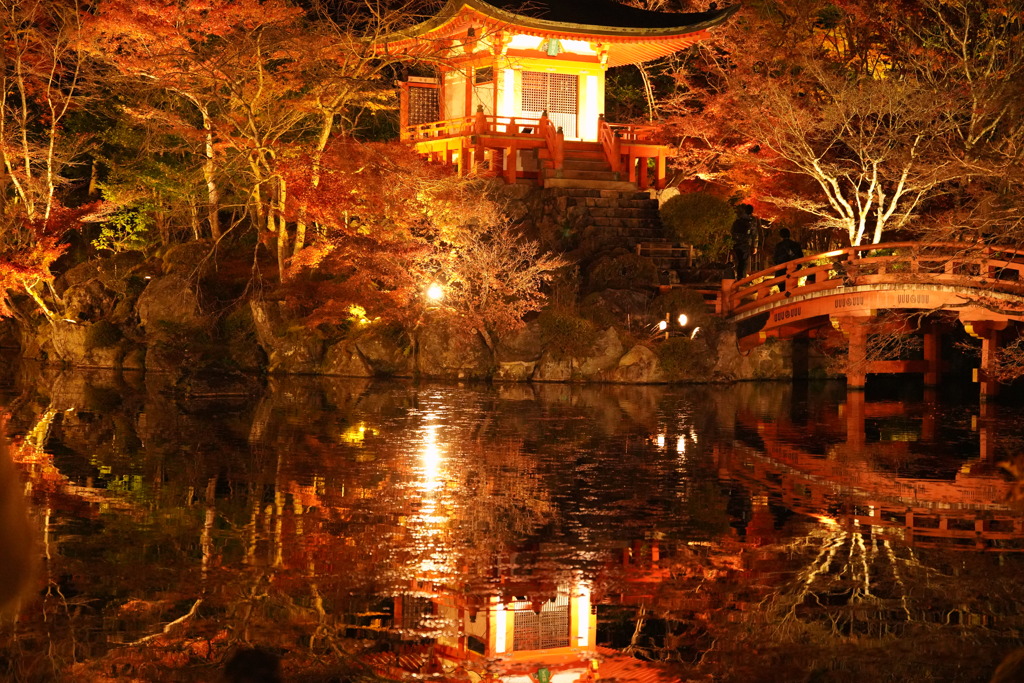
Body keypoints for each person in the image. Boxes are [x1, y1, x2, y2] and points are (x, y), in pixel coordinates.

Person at [730, 204, 757, 279]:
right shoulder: (752, 221)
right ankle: (742, 278)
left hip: (736, 242)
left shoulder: (738, 220)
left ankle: (738, 277)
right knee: (744, 261)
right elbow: (754, 234)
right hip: (746, 242)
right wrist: (754, 246)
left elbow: (732, 231)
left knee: (738, 260)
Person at [772, 228, 803, 292]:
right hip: (793, 269)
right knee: (792, 288)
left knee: (782, 289)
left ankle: (784, 300)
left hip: (781, 270)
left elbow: (775, 259)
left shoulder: (779, 246)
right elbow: (801, 257)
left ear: (781, 235)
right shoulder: (796, 245)